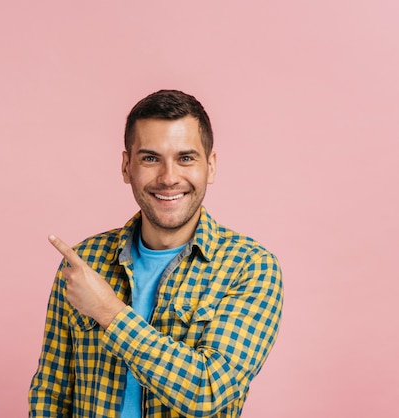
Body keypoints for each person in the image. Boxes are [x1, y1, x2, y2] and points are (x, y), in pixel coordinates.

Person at [28, 89, 283, 417]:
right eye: (150, 158)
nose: (169, 178)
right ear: (126, 167)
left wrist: (108, 311)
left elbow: (208, 390)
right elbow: (51, 391)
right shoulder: (84, 263)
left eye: (185, 158)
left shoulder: (250, 267)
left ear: (211, 166)